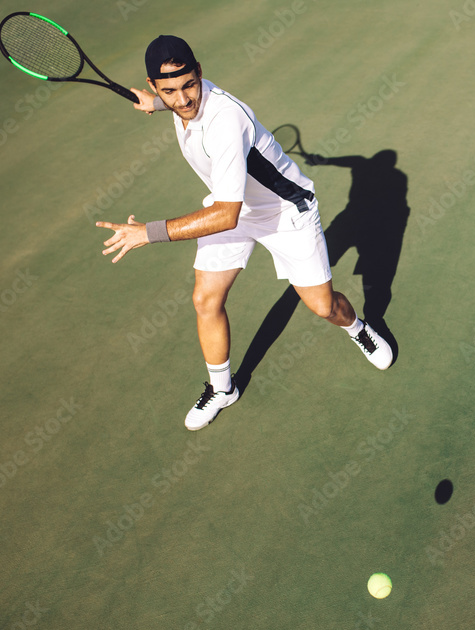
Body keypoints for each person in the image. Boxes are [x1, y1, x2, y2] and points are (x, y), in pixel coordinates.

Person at [95, 35, 393, 431]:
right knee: (205, 299)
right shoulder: (171, 99)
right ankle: (222, 389)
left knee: (322, 306)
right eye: (168, 90)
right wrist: (154, 102)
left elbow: (225, 216)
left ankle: (359, 329)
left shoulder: (224, 121)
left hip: (284, 212)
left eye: (189, 85)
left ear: (200, 72)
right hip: (231, 206)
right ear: (153, 86)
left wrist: (148, 233)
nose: (183, 100)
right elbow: (169, 103)